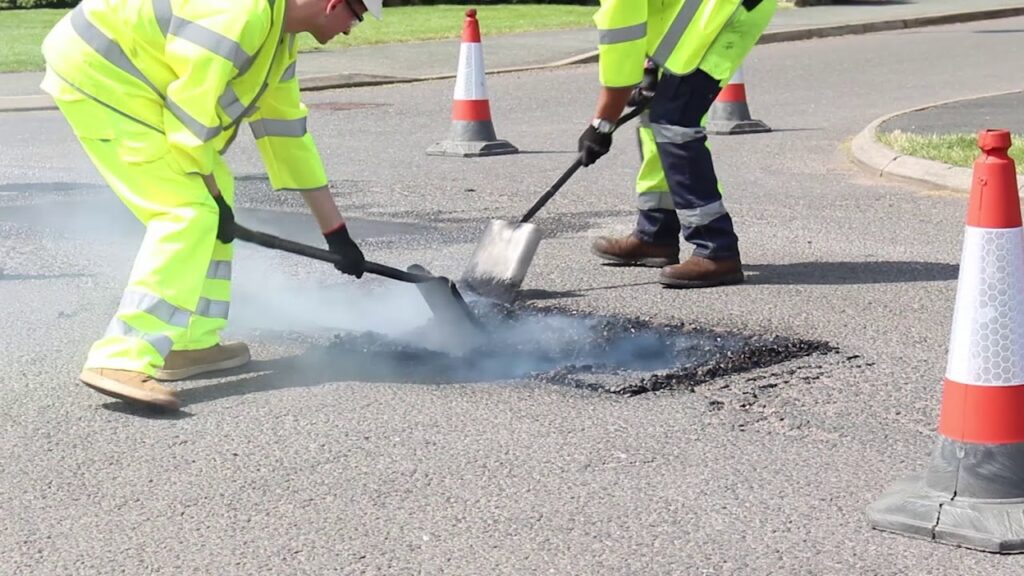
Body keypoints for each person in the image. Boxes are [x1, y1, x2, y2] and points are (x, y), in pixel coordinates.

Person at [41, 0, 382, 410]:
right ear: (333, 3)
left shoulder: (279, 40)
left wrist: (336, 235)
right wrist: (214, 204)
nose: (351, 29)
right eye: (356, 16)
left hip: (136, 83)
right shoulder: (241, 14)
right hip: (100, 72)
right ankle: (119, 358)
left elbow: (288, 134)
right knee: (188, 212)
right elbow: (191, 118)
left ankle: (189, 341)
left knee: (217, 192)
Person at [579, 0, 777, 288]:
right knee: (655, 115)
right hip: (697, 18)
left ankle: (716, 249)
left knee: (675, 121)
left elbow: (621, 35)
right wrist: (651, 64)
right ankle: (655, 234)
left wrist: (603, 124)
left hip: (724, 12)